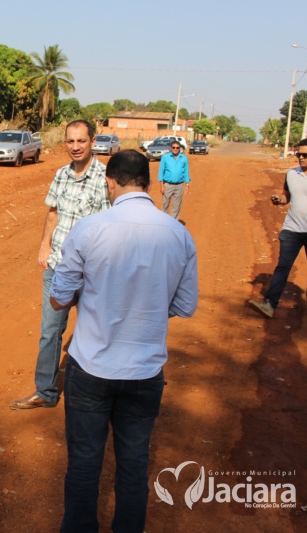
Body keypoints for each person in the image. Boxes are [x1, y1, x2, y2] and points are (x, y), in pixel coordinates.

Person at [49, 149, 198, 532]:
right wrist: (146, 307)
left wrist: (93, 296)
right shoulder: (178, 234)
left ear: (110, 182)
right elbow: (185, 305)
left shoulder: (89, 228)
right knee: (134, 465)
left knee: (84, 462)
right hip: (145, 371)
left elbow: (59, 298)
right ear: (147, 183)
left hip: (91, 366)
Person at [10, 119, 110, 410]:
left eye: (81, 141)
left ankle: (96, 393)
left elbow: (111, 226)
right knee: (50, 332)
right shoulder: (61, 174)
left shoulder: (106, 178)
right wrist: (44, 245)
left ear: (92, 142)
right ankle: (45, 391)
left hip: (92, 271)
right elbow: (53, 213)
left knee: (97, 331)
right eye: (70, 141)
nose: (75, 147)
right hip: (59, 267)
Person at [248, 138, 307, 319]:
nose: (300, 158)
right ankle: (270, 304)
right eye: (298, 154)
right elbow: (286, 196)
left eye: (304, 155)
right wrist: (279, 200)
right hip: (292, 229)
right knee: (283, 266)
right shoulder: (292, 174)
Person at [158, 140, 191, 219]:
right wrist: (162, 186)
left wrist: (187, 184)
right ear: (171, 148)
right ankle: (164, 221)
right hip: (167, 185)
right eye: (173, 147)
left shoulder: (184, 158)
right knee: (165, 204)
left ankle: (173, 222)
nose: (175, 149)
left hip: (179, 185)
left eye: (177, 148)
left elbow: (186, 171)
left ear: (180, 149)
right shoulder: (165, 157)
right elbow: (161, 171)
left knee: (177, 206)